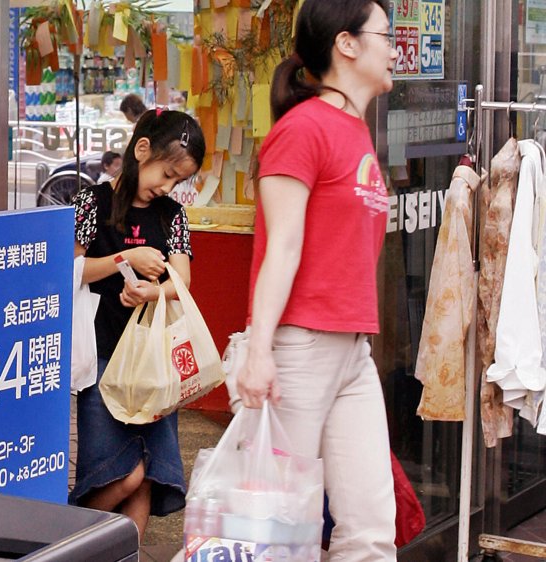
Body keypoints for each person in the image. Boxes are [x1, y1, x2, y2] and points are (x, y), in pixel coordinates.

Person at [235, 0, 399, 560]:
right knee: (281, 529)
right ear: (346, 44)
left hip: (352, 349)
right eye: (385, 32)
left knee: (372, 528)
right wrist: (259, 351)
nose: (394, 44)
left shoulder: (354, 128)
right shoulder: (302, 129)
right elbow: (279, 246)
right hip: (299, 348)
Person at [69, 109, 206, 539]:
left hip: (154, 361)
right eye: (165, 174)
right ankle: (67, 541)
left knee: (145, 478)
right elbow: (70, 269)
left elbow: (181, 279)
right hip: (104, 355)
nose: (167, 188)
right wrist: (124, 259)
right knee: (119, 475)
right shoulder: (93, 202)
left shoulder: (171, 216)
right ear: (140, 149)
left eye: (176, 182)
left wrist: (151, 290)